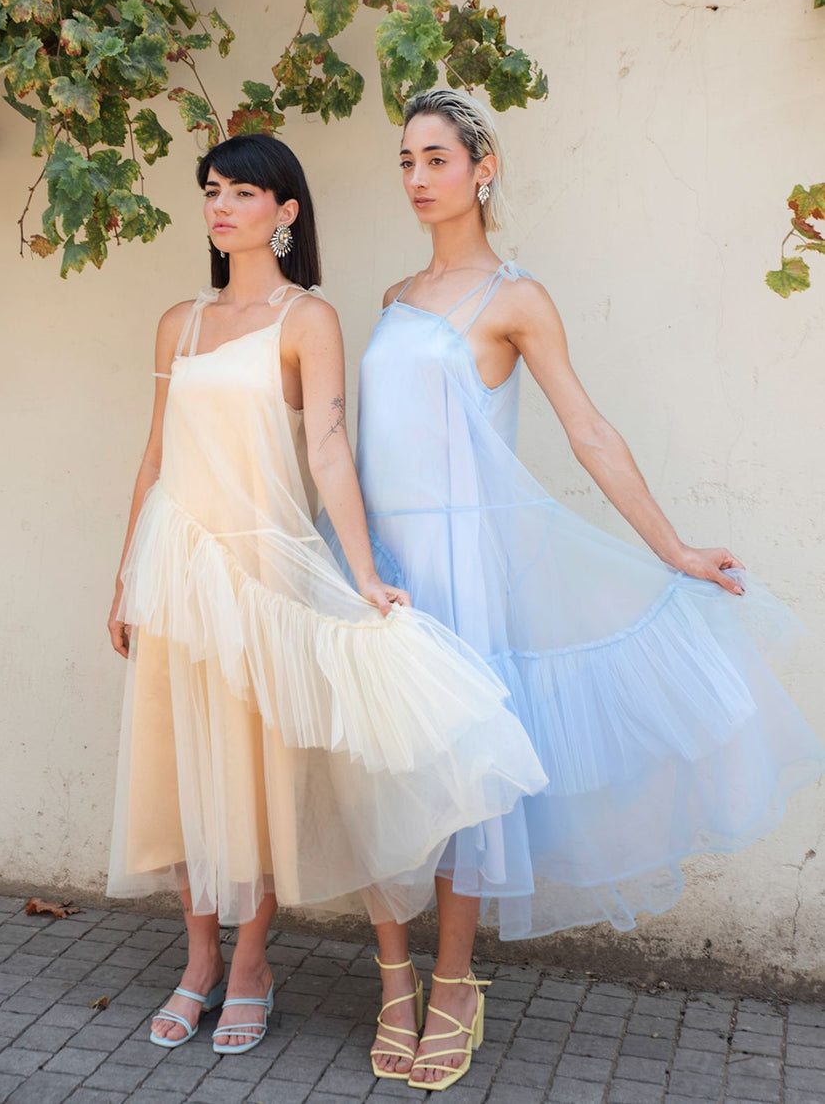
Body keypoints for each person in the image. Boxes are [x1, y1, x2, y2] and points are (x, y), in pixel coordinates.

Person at [319, 88, 825, 1090]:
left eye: (436, 159)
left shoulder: (516, 299)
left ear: (482, 169)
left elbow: (587, 430)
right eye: (406, 161)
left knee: (465, 780)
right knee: (376, 772)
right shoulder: (391, 297)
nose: (417, 177)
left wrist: (673, 547)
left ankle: (453, 983)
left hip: (466, 572)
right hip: (379, 566)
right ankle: (391, 980)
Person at [105, 133, 546, 1057]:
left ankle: (252, 965)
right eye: (211, 190)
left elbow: (330, 449)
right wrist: (125, 576)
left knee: (256, 776)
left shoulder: (309, 317)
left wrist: (363, 568)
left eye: (242, 192)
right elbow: (151, 455)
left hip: (263, 576)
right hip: (174, 570)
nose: (221, 206)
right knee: (180, 773)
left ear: (286, 210)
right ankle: (198, 959)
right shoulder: (178, 322)